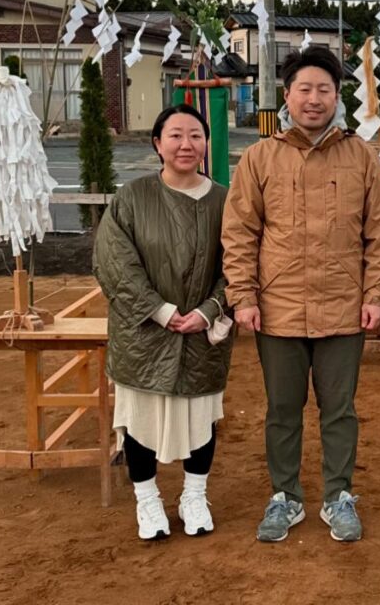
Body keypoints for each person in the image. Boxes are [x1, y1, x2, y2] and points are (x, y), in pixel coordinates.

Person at [222, 46, 380, 543]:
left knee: (339, 409)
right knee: (282, 409)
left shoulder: (361, 156)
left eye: (324, 89)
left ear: (337, 96)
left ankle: (338, 495)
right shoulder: (261, 156)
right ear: (288, 95)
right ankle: (286, 497)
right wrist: (245, 296)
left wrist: (376, 293)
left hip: (344, 308)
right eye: (305, 89)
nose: (314, 99)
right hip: (277, 309)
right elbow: (240, 233)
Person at [94, 104, 233, 541]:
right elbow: (115, 262)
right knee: (140, 419)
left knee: (200, 416)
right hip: (144, 332)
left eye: (195, 135)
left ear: (206, 143)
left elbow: (240, 265)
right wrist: (162, 311)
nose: (185, 144)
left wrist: (209, 310)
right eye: (175, 135)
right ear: (158, 144)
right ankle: (148, 500)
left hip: (202, 330)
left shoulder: (226, 201)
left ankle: (194, 494)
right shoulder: (132, 198)